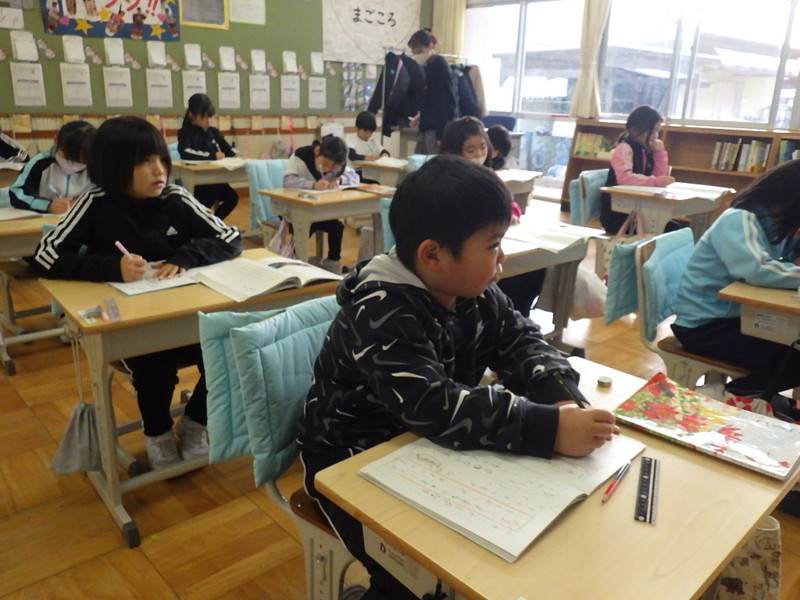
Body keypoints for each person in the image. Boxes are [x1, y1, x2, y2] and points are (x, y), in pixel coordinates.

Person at [298, 155, 619, 599]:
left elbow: (522, 339)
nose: (502, 258)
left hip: (423, 448)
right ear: (432, 255)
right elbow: (435, 407)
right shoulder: (381, 312)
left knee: (489, 557)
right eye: (492, 245)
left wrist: (560, 397)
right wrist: (546, 428)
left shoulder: (473, 290)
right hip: (349, 459)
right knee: (419, 573)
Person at [34, 116, 242, 471]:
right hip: (128, 326)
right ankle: (157, 433)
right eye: (144, 162)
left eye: (161, 159)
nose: (158, 170)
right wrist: (111, 268)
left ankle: (195, 422)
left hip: (184, 315)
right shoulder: (95, 202)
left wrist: (185, 256)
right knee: (155, 367)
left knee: (228, 349)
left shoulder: (175, 196)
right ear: (114, 167)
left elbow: (230, 238)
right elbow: (46, 256)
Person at [672, 159, 800, 398]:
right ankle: (725, 396)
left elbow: (787, 253)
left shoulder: (771, 221)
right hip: (706, 327)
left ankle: (740, 394)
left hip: (734, 319)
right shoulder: (739, 219)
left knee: (793, 347)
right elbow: (757, 270)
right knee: (794, 358)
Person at [440, 116, 546, 318]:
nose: (479, 154)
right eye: (470, 150)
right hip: (470, 244)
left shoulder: (489, 175)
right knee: (507, 278)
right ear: (454, 150)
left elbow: (508, 202)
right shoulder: (448, 181)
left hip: (499, 241)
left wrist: (511, 212)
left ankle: (521, 318)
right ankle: (500, 320)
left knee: (536, 268)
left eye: (482, 147)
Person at [283, 135, 359, 274]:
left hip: (322, 212)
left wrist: (340, 179)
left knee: (337, 227)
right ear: (317, 151)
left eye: (332, 168)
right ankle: (296, 261)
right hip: (296, 211)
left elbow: (355, 177)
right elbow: (288, 180)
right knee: (305, 226)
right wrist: (312, 185)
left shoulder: (337, 162)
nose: (326, 170)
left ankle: (332, 262)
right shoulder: (300, 156)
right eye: (324, 164)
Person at [600, 105, 675, 234]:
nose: (655, 136)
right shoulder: (624, 148)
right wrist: (656, 181)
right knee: (669, 230)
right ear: (635, 130)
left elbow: (658, 177)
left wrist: (659, 154)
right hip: (617, 213)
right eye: (652, 131)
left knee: (675, 228)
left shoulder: (645, 150)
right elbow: (624, 178)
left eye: (657, 132)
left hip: (638, 209)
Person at [10, 120, 95, 214]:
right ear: (56, 141)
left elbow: (105, 196)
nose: (73, 165)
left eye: (81, 161)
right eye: (67, 157)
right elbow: (16, 193)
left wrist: (84, 203)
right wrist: (47, 206)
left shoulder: (96, 166)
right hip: (46, 218)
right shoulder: (40, 163)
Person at [178, 93, 240, 220]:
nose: (209, 121)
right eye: (204, 117)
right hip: (199, 183)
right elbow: (185, 152)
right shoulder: (185, 133)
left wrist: (235, 154)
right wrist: (212, 156)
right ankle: (203, 224)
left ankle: (214, 223)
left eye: (211, 117)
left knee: (232, 198)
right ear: (192, 115)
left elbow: (227, 148)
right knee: (205, 202)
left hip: (216, 179)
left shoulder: (213, 132)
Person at [408, 28, 458, 155]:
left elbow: (447, 103)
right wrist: (421, 115)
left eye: (419, 51)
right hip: (427, 128)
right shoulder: (429, 66)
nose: (416, 55)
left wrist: (442, 135)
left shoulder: (440, 67)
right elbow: (431, 99)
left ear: (430, 46)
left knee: (432, 163)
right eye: (414, 52)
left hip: (436, 131)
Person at [345, 111, 389, 184]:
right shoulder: (350, 139)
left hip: (371, 174)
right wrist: (366, 158)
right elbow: (352, 155)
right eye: (365, 131)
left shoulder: (373, 142)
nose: (368, 134)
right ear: (358, 128)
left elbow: (384, 151)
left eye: (371, 132)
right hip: (355, 173)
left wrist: (385, 155)